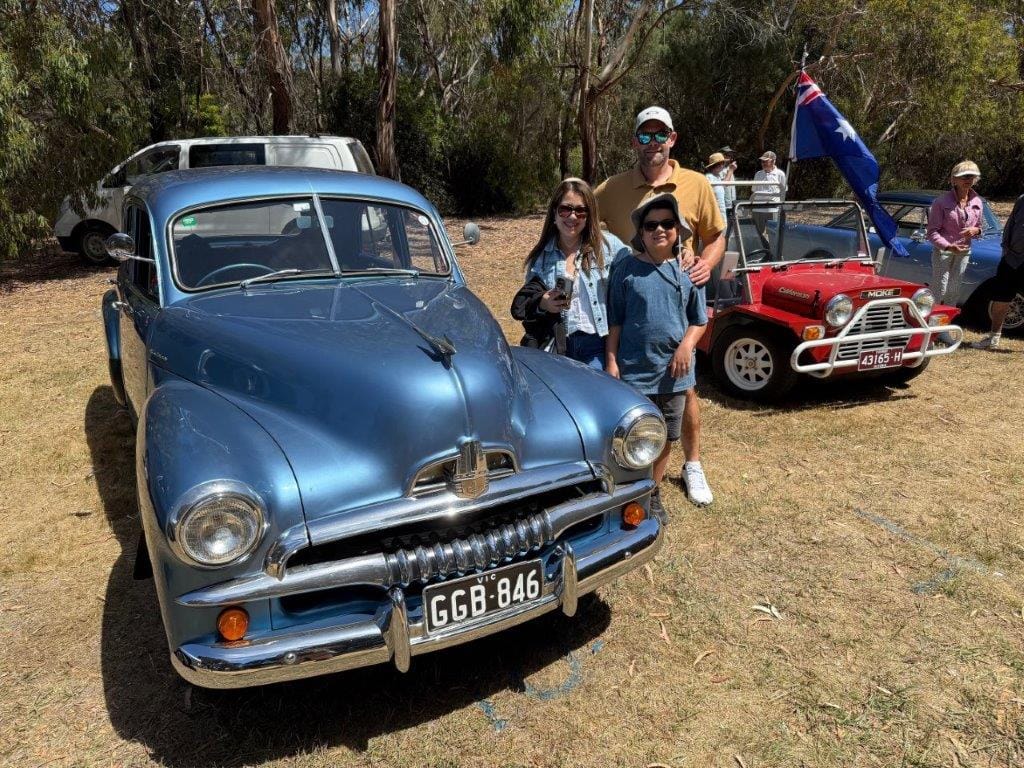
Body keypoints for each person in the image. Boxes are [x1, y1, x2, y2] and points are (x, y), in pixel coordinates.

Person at [606, 194, 712, 515]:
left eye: (667, 223)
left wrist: (686, 345)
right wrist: (611, 362)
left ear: (678, 230)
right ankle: (630, 489)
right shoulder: (625, 270)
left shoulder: (689, 272)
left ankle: (652, 490)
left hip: (675, 373)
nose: (659, 230)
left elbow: (699, 320)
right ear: (641, 232)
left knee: (664, 433)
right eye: (651, 225)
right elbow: (615, 322)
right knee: (633, 432)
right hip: (634, 371)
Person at [594, 106, 726, 288]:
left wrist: (706, 264)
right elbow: (576, 222)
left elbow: (715, 238)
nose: (653, 142)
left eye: (661, 135)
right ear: (635, 142)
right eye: (645, 136)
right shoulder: (611, 188)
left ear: (672, 139)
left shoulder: (698, 184)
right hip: (627, 299)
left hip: (681, 295)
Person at [511, 177, 628, 368]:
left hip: (596, 346)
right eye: (565, 209)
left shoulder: (608, 247)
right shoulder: (540, 258)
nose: (572, 217)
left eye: (581, 211)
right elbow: (529, 302)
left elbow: (640, 265)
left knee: (593, 396)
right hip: (557, 345)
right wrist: (543, 303)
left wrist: (680, 253)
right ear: (555, 213)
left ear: (589, 215)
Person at [970, 190, 1024, 350]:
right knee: (1001, 298)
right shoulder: (1022, 199)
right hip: (1011, 259)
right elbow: (1010, 225)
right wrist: (1006, 250)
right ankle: (993, 338)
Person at [927, 160, 985, 307]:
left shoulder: (977, 201)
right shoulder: (941, 202)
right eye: (963, 176)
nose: (967, 180)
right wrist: (948, 246)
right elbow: (932, 232)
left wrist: (975, 230)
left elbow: (979, 228)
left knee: (954, 289)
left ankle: (946, 323)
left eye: (971, 176)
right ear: (954, 179)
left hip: (964, 251)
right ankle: (932, 321)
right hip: (943, 251)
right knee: (940, 288)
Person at [750, 150, 786, 243]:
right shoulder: (758, 174)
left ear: (773, 161)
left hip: (773, 209)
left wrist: (780, 207)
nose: (763, 163)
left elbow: (783, 191)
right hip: (757, 209)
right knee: (756, 234)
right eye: (762, 161)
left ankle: (774, 253)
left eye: (766, 161)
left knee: (774, 234)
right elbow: (754, 190)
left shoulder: (780, 174)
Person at [704, 152, 731, 225]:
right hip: (713, 212)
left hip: (721, 210)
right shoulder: (708, 177)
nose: (723, 166)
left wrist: (730, 171)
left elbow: (724, 185)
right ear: (716, 165)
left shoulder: (718, 177)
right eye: (722, 163)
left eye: (723, 163)